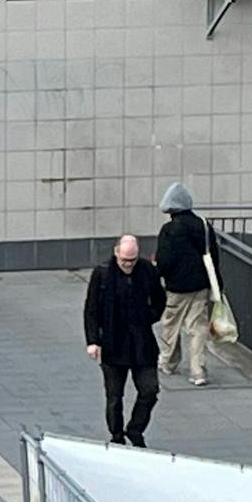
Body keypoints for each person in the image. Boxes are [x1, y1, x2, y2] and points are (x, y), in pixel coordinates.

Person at [84, 235, 166, 447]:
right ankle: (117, 435)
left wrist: (150, 316)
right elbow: (92, 309)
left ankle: (135, 429)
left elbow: (159, 298)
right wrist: (93, 341)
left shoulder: (147, 270)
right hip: (113, 342)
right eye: (124, 261)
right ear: (116, 253)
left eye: (132, 260)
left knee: (149, 390)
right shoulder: (102, 274)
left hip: (141, 341)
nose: (128, 265)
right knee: (114, 396)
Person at [153, 182, 216, 387]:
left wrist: (158, 275)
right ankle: (198, 371)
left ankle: (169, 361)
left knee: (171, 324)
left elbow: (164, 260)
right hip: (200, 284)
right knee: (197, 327)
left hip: (176, 286)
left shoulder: (169, 230)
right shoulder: (204, 226)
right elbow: (213, 254)